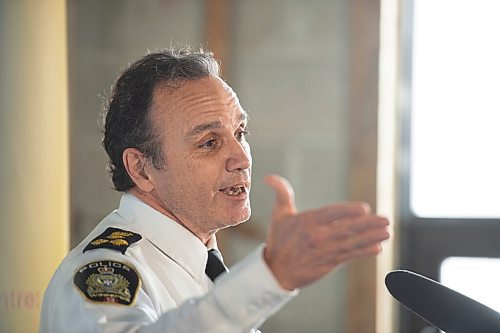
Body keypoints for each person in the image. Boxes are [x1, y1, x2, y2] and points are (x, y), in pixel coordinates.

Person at [39, 48, 390, 333]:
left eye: (240, 133)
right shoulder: (103, 272)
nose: (240, 158)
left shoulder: (203, 261)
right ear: (142, 168)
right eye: (209, 143)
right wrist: (269, 278)